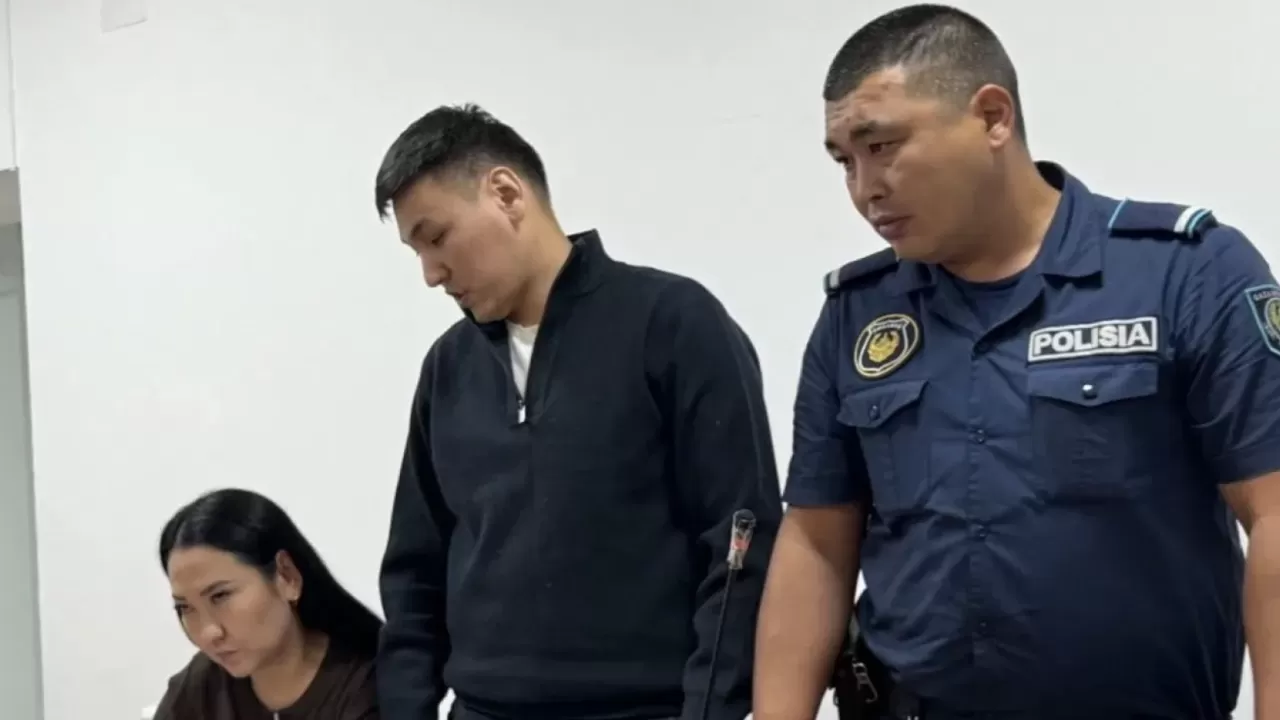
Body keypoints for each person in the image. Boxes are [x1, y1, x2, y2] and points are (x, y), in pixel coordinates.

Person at [754, 4, 1280, 719]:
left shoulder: (1185, 272)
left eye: (882, 145)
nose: (864, 187)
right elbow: (818, 539)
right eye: (845, 160)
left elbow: (1272, 511)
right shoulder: (860, 312)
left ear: (992, 117)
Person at [372, 103, 782, 720]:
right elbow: (416, 570)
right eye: (416, 252)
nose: (432, 274)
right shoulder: (448, 366)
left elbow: (739, 543)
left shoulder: (671, 323)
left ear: (506, 193)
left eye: (436, 237)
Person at [153, 488, 382, 720]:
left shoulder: (370, 687)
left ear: (287, 576)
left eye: (220, 596)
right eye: (184, 607)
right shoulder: (201, 684)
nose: (209, 633)